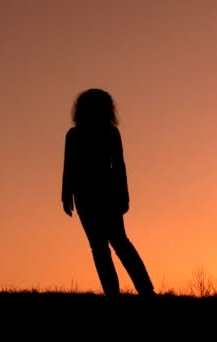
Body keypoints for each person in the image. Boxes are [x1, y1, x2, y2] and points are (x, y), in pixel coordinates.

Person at [61, 88, 155, 297]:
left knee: (117, 243)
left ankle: (146, 290)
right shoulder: (74, 135)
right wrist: (66, 193)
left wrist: (124, 196)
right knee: (101, 246)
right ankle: (115, 293)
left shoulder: (110, 133)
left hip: (105, 194)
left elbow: (119, 166)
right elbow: (69, 167)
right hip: (85, 195)